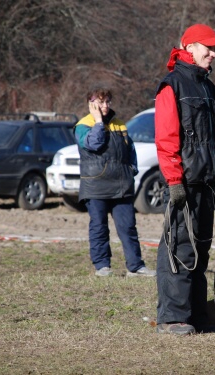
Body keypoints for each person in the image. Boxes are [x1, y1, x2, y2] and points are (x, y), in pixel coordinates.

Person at [154, 24, 215, 335]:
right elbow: (167, 138)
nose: (213, 53)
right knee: (179, 250)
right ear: (189, 47)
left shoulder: (212, 91)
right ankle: (172, 318)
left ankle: (197, 317)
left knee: (201, 251)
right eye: (208, 47)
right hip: (183, 185)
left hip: (208, 186)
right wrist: (174, 181)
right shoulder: (172, 85)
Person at [74, 87, 156, 277]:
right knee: (99, 226)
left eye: (107, 101)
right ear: (91, 104)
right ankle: (102, 266)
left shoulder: (120, 125)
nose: (105, 105)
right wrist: (98, 122)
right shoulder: (83, 125)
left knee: (128, 227)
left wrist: (131, 170)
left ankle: (135, 266)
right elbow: (94, 144)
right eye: (100, 102)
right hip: (95, 186)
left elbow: (130, 151)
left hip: (121, 185)